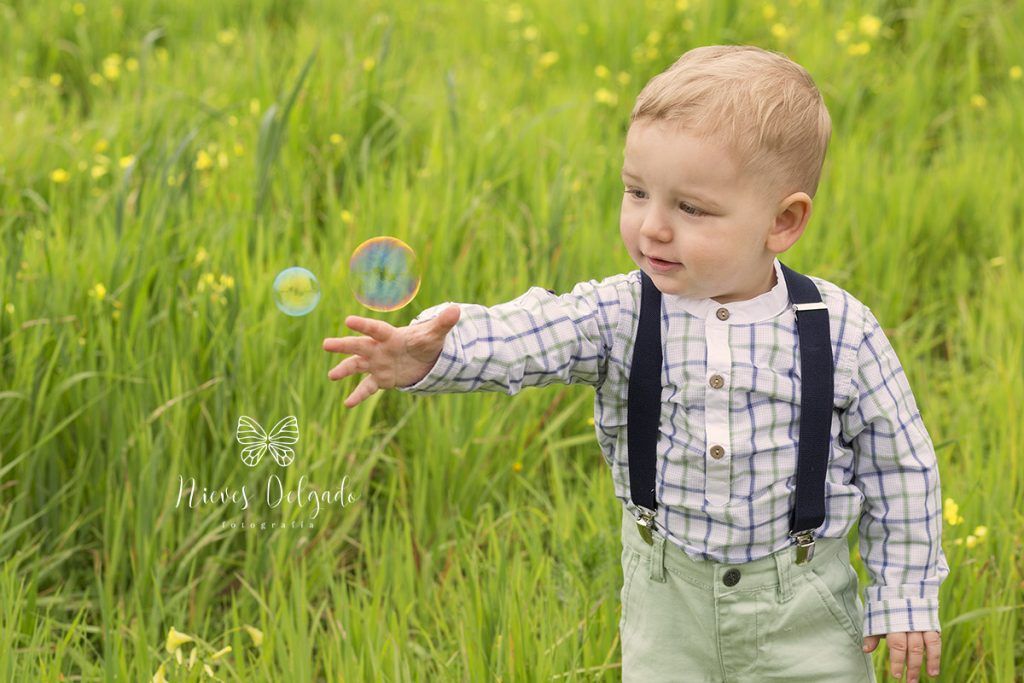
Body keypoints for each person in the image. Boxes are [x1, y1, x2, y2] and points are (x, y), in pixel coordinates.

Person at [322, 44, 947, 682]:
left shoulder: (840, 328)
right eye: (636, 192)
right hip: (667, 602)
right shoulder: (622, 312)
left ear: (783, 221)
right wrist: (437, 351)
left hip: (804, 608)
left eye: (690, 207)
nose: (652, 227)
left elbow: (901, 467)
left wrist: (904, 596)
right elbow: (533, 330)